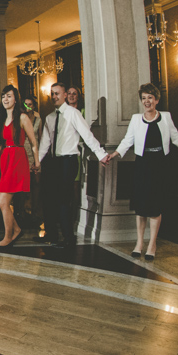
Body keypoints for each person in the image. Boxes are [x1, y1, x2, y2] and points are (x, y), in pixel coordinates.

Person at [103, 83, 178, 260]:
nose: (147, 101)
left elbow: (176, 137)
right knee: (141, 206)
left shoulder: (166, 117)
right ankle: (139, 243)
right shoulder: (136, 119)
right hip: (142, 164)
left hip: (160, 165)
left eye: (150, 97)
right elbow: (128, 140)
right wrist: (114, 154)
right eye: (144, 98)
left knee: (155, 206)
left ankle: (152, 244)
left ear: (156, 100)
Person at [36, 82, 105, 249]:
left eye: (57, 93)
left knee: (63, 199)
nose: (54, 96)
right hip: (53, 162)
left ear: (65, 95)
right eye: (52, 94)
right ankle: (51, 235)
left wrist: (101, 154)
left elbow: (87, 135)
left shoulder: (73, 114)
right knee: (49, 198)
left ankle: (68, 238)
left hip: (69, 160)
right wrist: (37, 161)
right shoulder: (50, 117)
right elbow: (45, 142)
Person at [0, 85, 39, 249]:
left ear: (16, 99)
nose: (5, 99)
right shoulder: (2, 119)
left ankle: (8, 238)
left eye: (9, 96)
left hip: (17, 159)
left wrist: (37, 162)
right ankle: (16, 229)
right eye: (3, 96)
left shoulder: (22, 117)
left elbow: (33, 142)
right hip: (5, 160)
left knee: (3, 202)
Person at [22, 96, 43, 238]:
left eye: (30, 104)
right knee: (24, 185)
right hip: (23, 153)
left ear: (34, 106)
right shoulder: (21, 118)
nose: (28, 107)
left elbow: (40, 137)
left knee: (36, 183)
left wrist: (39, 157)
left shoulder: (38, 119)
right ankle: (23, 212)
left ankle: (35, 212)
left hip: (35, 153)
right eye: (26, 104)